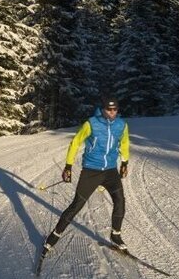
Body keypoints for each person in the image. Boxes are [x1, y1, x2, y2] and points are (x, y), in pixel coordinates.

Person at [41, 96, 130, 256]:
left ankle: (116, 235)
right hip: (91, 171)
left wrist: (124, 162)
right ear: (102, 109)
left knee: (120, 201)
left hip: (110, 171)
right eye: (109, 109)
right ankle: (53, 237)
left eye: (115, 109)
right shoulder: (91, 124)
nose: (112, 112)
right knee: (77, 205)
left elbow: (124, 143)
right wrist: (68, 165)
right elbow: (75, 142)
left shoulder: (121, 125)